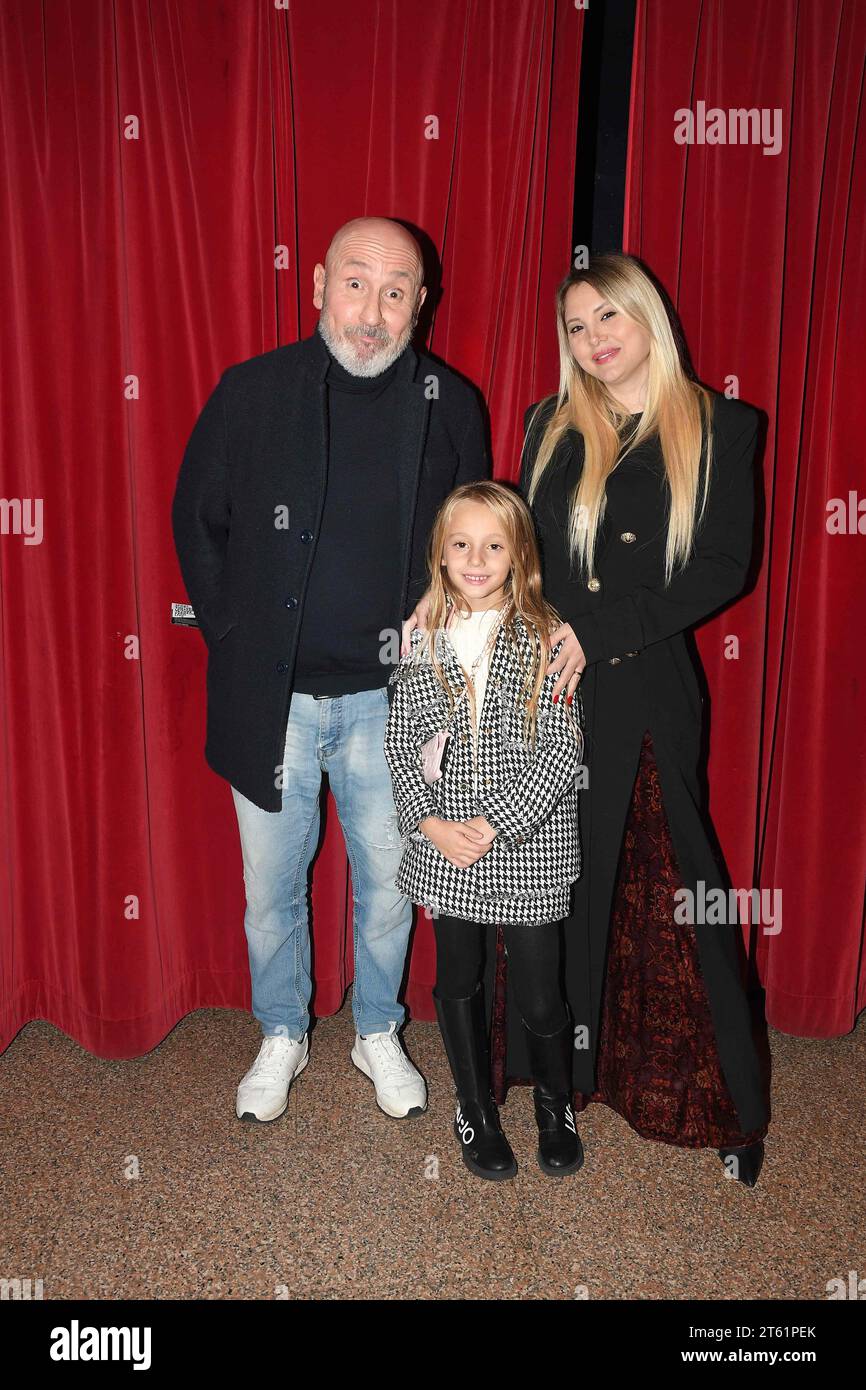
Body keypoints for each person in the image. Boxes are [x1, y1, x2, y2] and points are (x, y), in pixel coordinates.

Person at [403, 252, 770, 1187]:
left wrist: (600, 632)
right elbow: (500, 544)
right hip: (539, 687)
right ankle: (549, 1081)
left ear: (649, 316)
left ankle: (720, 1102)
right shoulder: (547, 424)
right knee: (545, 883)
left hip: (643, 680)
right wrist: (435, 601)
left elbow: (724, 565)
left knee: (670, 883)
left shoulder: (721, 427)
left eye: (610, 315)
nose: (594, 337)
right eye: (576, 324)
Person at [172, 216, 489, 1124]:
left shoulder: (451, 403)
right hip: (271, 703)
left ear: (420, 305)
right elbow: (199, 520)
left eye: (397, 291)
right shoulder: (251, 392)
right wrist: (237, 638)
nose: (372, 310)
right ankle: (282, 1032)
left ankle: (377, 1029)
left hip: (395, 704)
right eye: (356, 283)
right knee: (270, 889)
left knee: (391, 882)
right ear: (317, 284)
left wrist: (452, 622)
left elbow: (478, 547)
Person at [384, 481, 585, 1180]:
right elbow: (401, 740)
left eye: (493, 545)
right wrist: (429, 822)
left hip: (526, 847)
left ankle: (555, 1107)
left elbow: (563, 749)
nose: (476, 558)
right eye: (461, 544)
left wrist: (496, 823)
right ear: (440, 554)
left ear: (518, 555)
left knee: (539, 990)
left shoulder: (545, 637)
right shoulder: (419, 641)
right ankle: (474, 1108)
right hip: (446, 849)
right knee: (459, 979)